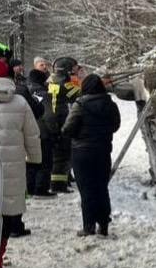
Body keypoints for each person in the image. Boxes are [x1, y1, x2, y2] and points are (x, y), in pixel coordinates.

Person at [0, 58, 41, 268]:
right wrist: (35, 160)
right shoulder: (20, 102)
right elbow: (32, 135)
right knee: (5, 215)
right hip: (10, 170)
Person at [62, 74, 120, 237]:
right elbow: (115, 126)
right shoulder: (110, 104)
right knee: (102, 187)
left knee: (87, 189)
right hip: (102, 151)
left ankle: (89, 225)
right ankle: (103, 224)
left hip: (82, 153)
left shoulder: (79, 105)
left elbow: (68, 129)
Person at [44, 59, 80, 193]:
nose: (77, 71)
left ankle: (55, 181)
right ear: (68, 70)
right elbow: (82, 94)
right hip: (59, 121)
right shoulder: (66, 86)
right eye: (75, 68)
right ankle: (58, 184)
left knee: (53, 153)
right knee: (62, 153)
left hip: (47, 121)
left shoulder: (48, 82)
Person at [26, 69, 55, 197]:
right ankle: (41, 188)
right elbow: (49, 116)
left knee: (31, 160)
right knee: (45, 160)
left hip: (27, 131)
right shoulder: (44, 94)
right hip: (43, 132)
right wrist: (54, 131)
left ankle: (30, 187)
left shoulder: (24, 91)